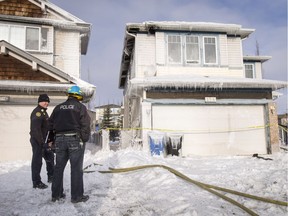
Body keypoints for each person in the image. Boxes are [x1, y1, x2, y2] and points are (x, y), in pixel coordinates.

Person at [49, 86, 91, 203]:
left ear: (69, 95)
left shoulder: (57, 108)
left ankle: (56, 195)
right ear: (78, 95)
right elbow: (85, 124)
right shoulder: (80, 107)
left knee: (58, 168)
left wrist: (51, 139)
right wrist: (84, 138)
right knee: (76, 169)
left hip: (59, 140)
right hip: (74, 140)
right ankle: (77, 197)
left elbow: (50, 125)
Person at [30, 94, 55, 189]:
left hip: (44, 141)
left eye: (47, 101)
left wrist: (49, 141)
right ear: (39, 101)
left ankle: (51, 177)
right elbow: (36, 130)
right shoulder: (37, 113)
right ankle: (36, 182)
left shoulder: (44, 112)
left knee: (50, 157)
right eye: (44, 101)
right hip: (37, 141)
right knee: (37, 161)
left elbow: (47, 128)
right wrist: (42, 143)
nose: (46, 103)